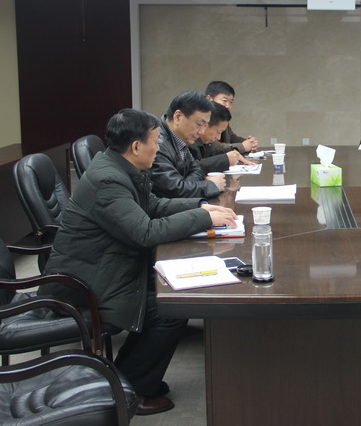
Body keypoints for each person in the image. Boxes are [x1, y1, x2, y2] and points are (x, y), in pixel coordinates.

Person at [39, 109, 239, 415]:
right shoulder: (109, 180)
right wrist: (202, 217)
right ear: (135, 146)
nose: (158, 149)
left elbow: (154, 205)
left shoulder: (121, 167)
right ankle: (131, 389)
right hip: (83, 286)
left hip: (106, 268)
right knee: (169, 308)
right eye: (155, 142)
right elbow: (146, 232)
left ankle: (128, 379)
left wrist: (201, 206)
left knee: (168, 296)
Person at [151, 90, 225, 199]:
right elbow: (174, 191)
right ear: (178, 117)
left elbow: (197, 169)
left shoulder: (181, 138)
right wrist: (211, 186)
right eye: (199, 124)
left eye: (205, 125)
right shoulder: (156, 144)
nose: (201, 132)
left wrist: (186, 184)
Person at [190, 101, 256, 173]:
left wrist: (233, 152)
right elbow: (190, 168)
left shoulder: (205, 143)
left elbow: (210, 155)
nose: (218, 138)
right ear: (205, 125)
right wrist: (225, 160)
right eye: (218, 132)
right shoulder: (189, 142)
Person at [205, 80, 258, 153]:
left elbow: (232, 137)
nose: (228, 106)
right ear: (209, 99)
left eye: (231, 102)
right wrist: (243, 146)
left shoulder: (223, 118)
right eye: (224, 100)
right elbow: (213, 146)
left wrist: (249, 143)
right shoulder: (204, 118)